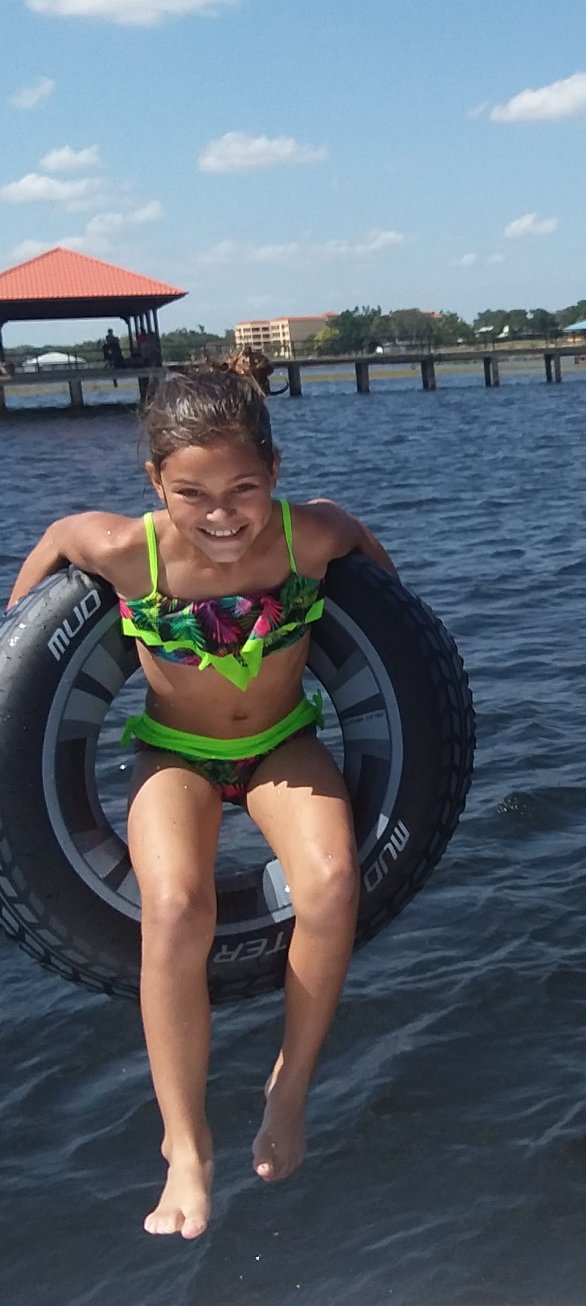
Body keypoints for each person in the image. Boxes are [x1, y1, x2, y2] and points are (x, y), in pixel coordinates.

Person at [7, 353, 394, 1241]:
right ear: (156, 483)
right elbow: (60, 538)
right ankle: (186, 1144)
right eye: (193, 493)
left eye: (242, 488)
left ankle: (288, 1090)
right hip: (173, 755)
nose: (221, 515)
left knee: (332, 883)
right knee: (176, 907)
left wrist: (411, 654)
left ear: (276, 475)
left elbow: (383, 584)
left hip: (279, 745)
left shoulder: (309, 536)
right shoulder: (127, 550)